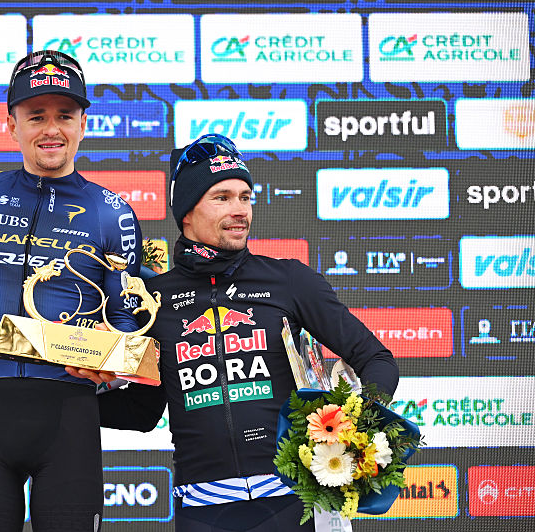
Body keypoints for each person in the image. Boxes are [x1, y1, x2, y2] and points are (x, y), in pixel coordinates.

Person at [96, 133, 399, 532]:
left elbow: (376, 359)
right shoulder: (155, 298)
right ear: (186, 210)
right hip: (203, 511)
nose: (239, 210)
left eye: (245, 196)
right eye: (221, 197)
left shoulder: (289, 280)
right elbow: (143, 411)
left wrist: (352, 423)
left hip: (289, 505)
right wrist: (72, 400)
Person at [0, 50, 144, 531]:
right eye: (36, 115)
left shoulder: (112, 211)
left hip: (70, 414)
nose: (51, 129)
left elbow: (127, 317)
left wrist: (113, 366)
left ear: (83, 123)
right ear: (12, 125)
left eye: (64, 115)